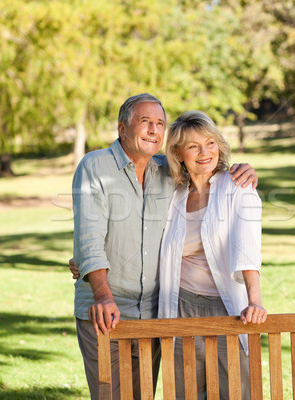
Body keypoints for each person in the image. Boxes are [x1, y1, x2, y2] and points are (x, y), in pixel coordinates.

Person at [71, 93, 257, 400]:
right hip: (108, 311)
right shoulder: (96, 166)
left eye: (160, 123)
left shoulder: (167, 174)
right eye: (145, 122)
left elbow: (202, 167)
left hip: (155, 314)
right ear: (122, 128)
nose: (154, 130)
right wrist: (98, 284)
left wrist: (245, 171)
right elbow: (89, 238)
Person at [158, 111, 266, 399]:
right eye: (193, 146)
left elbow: (248, 245)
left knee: (234, 391)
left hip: (226, 308)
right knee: (185, 392)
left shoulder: (237, 185)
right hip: (180, 306)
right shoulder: (174, 194)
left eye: (210, 143)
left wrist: (255, 301)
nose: (204, 153)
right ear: (178, 153)